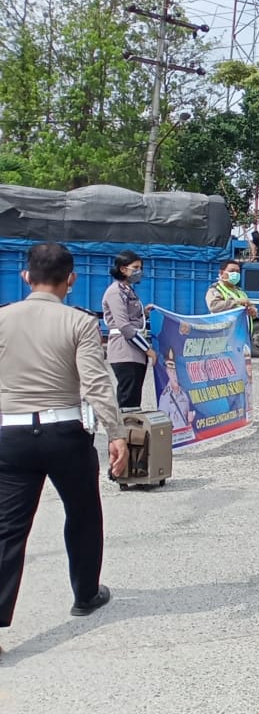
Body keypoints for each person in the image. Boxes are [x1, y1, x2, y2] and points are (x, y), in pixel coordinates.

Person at [0, 243, 128, 656]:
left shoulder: (1, 319)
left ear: (26, 277)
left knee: (8, 531)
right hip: (65, 434)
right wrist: (117, 433)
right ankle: (85, 594)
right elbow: (95, 384)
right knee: (84, 513)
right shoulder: (80, 323)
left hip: (12, 436)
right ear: (70, 280)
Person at [101, 250, 157, 410]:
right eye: (135, 267)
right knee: (128, 401)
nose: (139, 271)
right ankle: (125, 433)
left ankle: (132, 433)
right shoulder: (115, 292)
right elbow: (124, 326)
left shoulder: (127, 290)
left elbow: (132, 317)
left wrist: (144, 313)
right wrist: (148, 349)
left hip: (134, 353)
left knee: (134, 400)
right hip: (125, 351)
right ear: (123, 269)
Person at [158, 348, 195, 431]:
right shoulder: (165, 397)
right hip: (175, 438)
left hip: (186, 436)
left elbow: (189, 417)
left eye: (175, 371)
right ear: (167, 372)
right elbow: (162, 424)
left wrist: (190, 420)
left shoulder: (185, 393)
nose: (174, 374)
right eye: (171, 371)